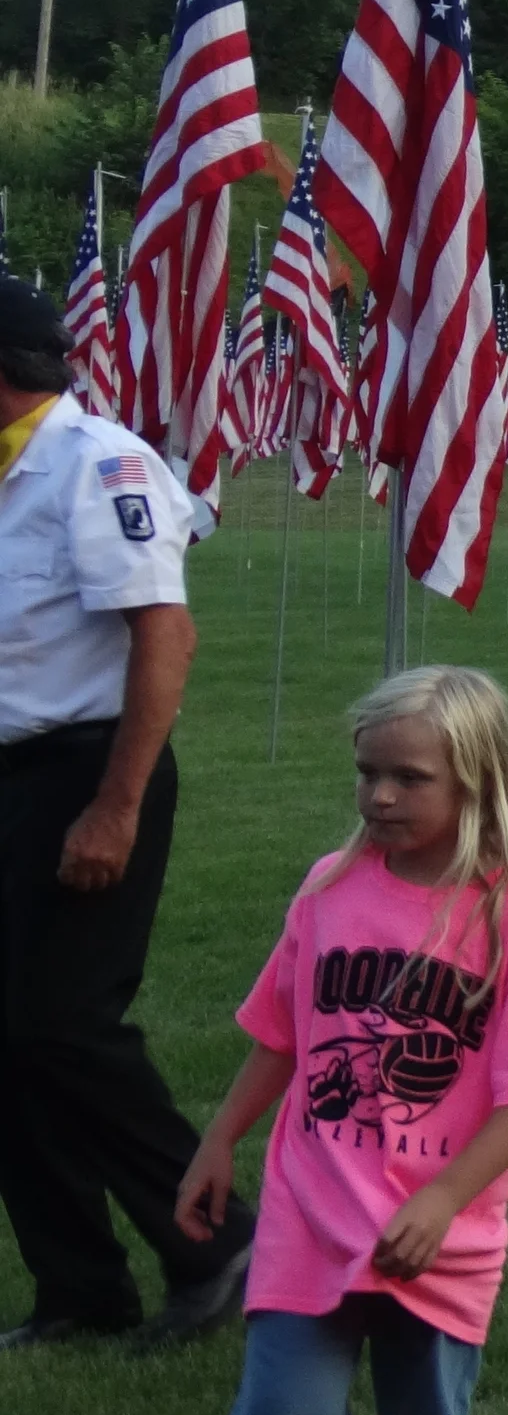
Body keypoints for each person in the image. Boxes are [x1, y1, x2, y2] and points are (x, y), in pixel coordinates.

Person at [176, 664, 508, 1415]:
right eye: (368, 772)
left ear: (476, 783)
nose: (380, 795)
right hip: (307, 1208)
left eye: (410, 778)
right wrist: (219, 1139)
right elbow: (283, 1032)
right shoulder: (328, 887)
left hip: (438, 1233)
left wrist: (444, 1198)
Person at [0, 275, 256, 1349]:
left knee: (62, 1019)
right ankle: (79, 1287)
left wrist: (116, 805)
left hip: (89, 767)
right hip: (15, 774)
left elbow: (165, 636)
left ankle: (217, 1239)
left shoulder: (97, 463)